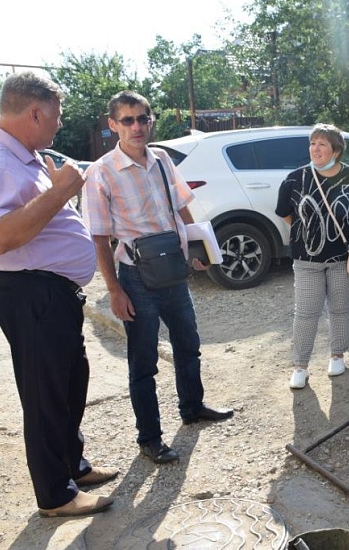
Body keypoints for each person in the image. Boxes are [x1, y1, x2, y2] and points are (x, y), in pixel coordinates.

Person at [0, 71, 117, 518]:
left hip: (50, 293)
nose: (59, 125)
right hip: (31, 292)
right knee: (46, 395)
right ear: (34, 112)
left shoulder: (23, 157)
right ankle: (56, 495)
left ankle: (73, 466)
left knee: (70, 383)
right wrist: (65, 190)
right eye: (56, 116)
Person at [83, 91, 233, 465]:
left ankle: (193, 407)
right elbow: (99, 238)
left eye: (142, 119)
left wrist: (198, 252)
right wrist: (114, 290)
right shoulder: (100, 172)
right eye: (128, 120)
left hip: (173, 273)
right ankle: (150, 438)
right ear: (113, 125)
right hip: (136, 277)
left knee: (188, 344)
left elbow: (182, 208)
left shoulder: (163, 160)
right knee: (144, 362)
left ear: (151, 122)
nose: (136, 126)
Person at [275, 123, 349, 390]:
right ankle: (300, 366)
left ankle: (337, 355)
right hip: (306, 259)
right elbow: (286, 213)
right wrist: (308, 233)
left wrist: (340, 230)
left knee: (341, 308)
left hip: (343, 257)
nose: (315, 149)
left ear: (336, 150)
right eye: (312, 143)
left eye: (322, 144)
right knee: (306, 312)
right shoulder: (295, 178)